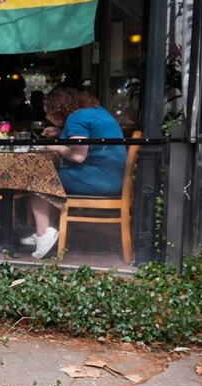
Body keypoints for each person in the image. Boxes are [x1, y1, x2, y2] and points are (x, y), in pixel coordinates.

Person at [25, 86, 127, 259]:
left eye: (49, 112)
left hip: (98, 180)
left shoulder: (76, 118)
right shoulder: (94, 111)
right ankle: (48, 230)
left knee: (35, 177)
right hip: (111, 177)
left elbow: (78, 155)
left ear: (58, 108)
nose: (48, 117)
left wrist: (54, 145)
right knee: (50, 175)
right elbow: (89, 138)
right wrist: (61, 133)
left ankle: (44, 234)